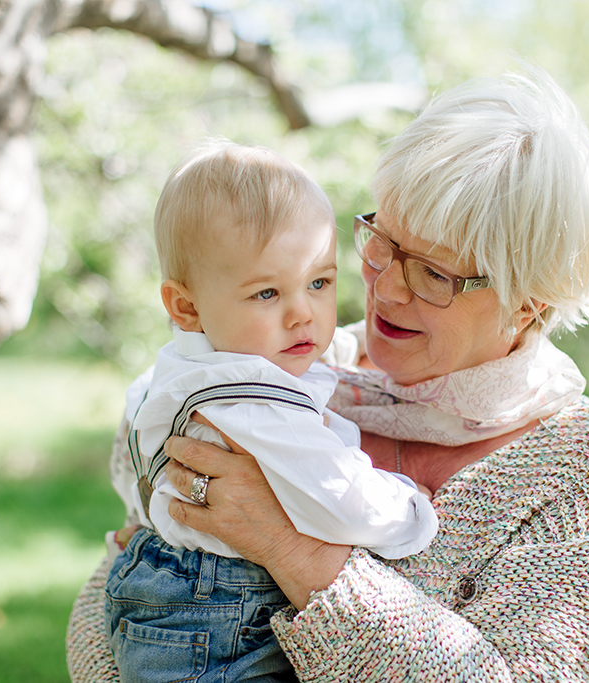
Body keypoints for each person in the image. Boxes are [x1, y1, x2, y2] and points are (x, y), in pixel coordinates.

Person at [68, 64, 589, 683]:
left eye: (434, 274)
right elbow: (112, 611)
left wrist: (293, 550)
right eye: (383, 241)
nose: (386, 288)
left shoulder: (588, 468)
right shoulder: (266, 371)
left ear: (529, 302)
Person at [104, 140, 438, 683]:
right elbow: (339, 495)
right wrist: (410, 511)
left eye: (319, 283)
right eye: (266, 294)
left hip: (157, 594)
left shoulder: (178, 370)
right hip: (219, 625)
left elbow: (132, 456)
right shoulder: (258, 399)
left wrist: (142, 519)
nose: (302, 314)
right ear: (186, 306)